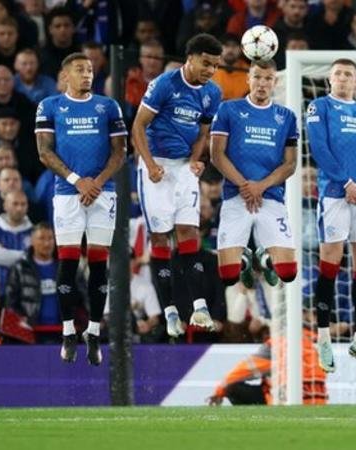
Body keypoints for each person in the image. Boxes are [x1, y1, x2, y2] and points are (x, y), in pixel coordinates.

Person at [35, 52, 127, 365]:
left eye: (89, 70)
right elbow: (44, 152)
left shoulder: (107, 106)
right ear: (65, 76)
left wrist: (96, 183)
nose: (87, 74)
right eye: (79, 70)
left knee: (99, 264)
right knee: (69, 264)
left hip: (103, 192)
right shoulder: (50, 106)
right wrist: (77, 181)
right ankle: (67, 332)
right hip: (66, 194)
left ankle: (94, 332)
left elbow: (120, 152)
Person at [131, 33, 223, 338]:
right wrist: (151, 164)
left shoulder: (212, 93)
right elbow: (138, 127)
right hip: (156, 164)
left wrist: (198, 160)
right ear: (191, 58)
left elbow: (203, 132)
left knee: (188, 232)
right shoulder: (164, 85)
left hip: (184, 167)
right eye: (206, 63)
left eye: (215, 65)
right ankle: (170, 311)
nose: (211, 70)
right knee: (160, 239)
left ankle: (199, 307)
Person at [305, 58, 356, 374]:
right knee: (332, 260)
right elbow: (319, 148)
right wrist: (347, 182)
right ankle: (323, 336)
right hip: (335, 193)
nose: (342, 78)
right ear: (329, 78)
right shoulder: (320, 106)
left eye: (348, 74)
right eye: (338, 73)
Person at [210, 59, 298, 295]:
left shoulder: (286, 117)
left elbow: (290, 164)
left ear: (275, 82)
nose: (262, 83)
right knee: (228, 277)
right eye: (257, 77)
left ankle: (263, 256)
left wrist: (261, 186)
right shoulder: (228, 109)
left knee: (289, 273)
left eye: (268, 78)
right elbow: (216, 155)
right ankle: (246, 259)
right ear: (248, 79)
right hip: (235, 196)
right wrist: (245, 186)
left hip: (270, 197)